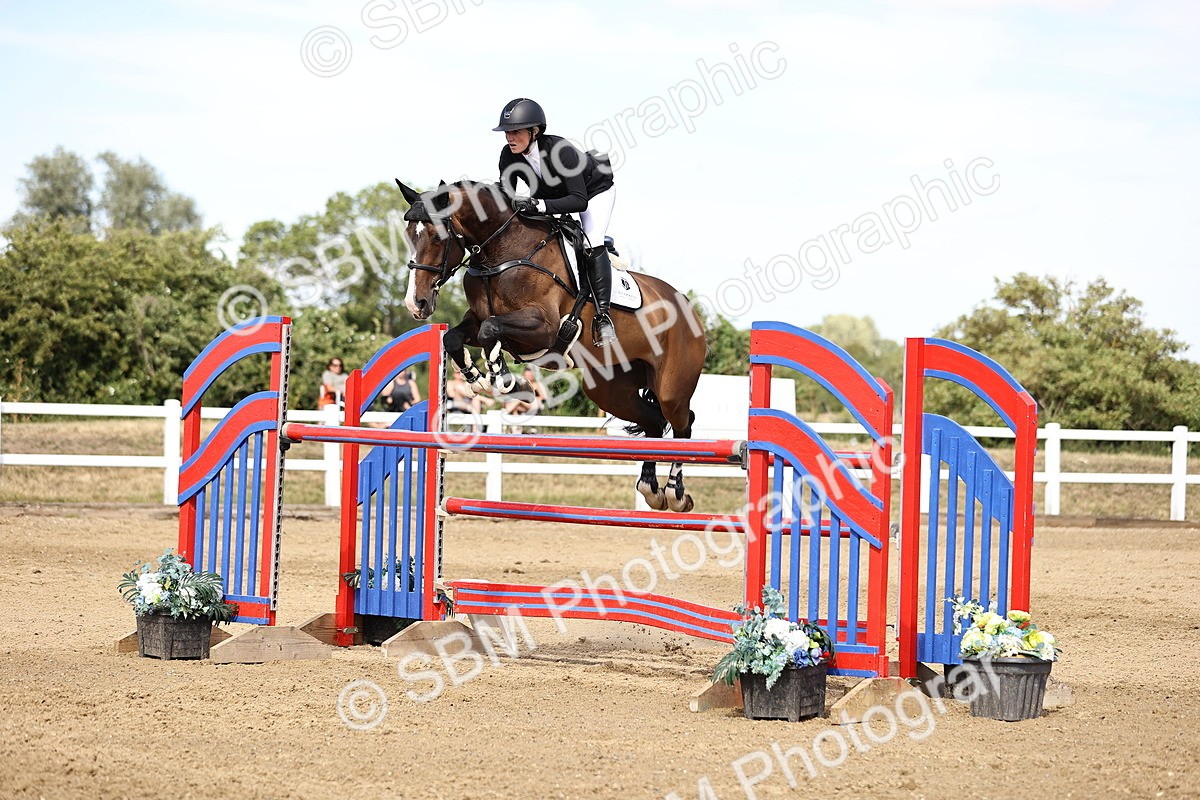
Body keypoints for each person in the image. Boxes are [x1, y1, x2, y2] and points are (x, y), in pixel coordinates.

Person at [493, 97, 618, 347]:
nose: (510, 137)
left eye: (516, 131)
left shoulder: (560, 151)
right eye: (507, 132)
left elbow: (579, 201)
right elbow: (507, 195)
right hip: (554, 196)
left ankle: (603, 317)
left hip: (593, 193)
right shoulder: (509, 155)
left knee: (591, 242)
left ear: (534, 131)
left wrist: (538, 204)